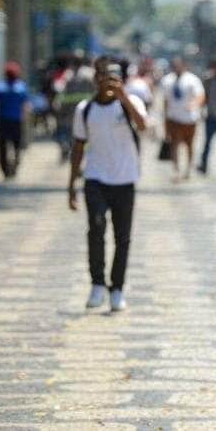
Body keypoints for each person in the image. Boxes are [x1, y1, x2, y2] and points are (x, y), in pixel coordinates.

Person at [68, 56, 148, 312]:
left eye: (113, 76)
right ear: (95, 79)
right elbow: (78, 147)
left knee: (122, 237)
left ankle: (117, 289)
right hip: (95, 178)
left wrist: (124, 97)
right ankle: (97, 283)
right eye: (103, 75)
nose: (108, 81)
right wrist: (71, 185)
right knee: (96, 228)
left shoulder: (131, 102)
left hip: (125, 180)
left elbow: (143, 125)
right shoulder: (85, 109)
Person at [160, 57, 204, 181]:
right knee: (174, 144)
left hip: (189, 119)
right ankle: (176, 170)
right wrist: (165, 118)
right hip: (173, 118)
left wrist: (194, 104)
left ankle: (188, 169)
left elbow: (200, 95)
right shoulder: (167, 80)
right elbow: (165, 100)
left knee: (189, 145)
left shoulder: (192, 79)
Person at [0, 61, 30, 179]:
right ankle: (15, 164)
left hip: (3, 120)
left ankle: (5, 170)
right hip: (16, 121)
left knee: (2, 146)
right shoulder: (21, 87)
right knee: (16, 144)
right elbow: (25, 106)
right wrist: (25, 118)